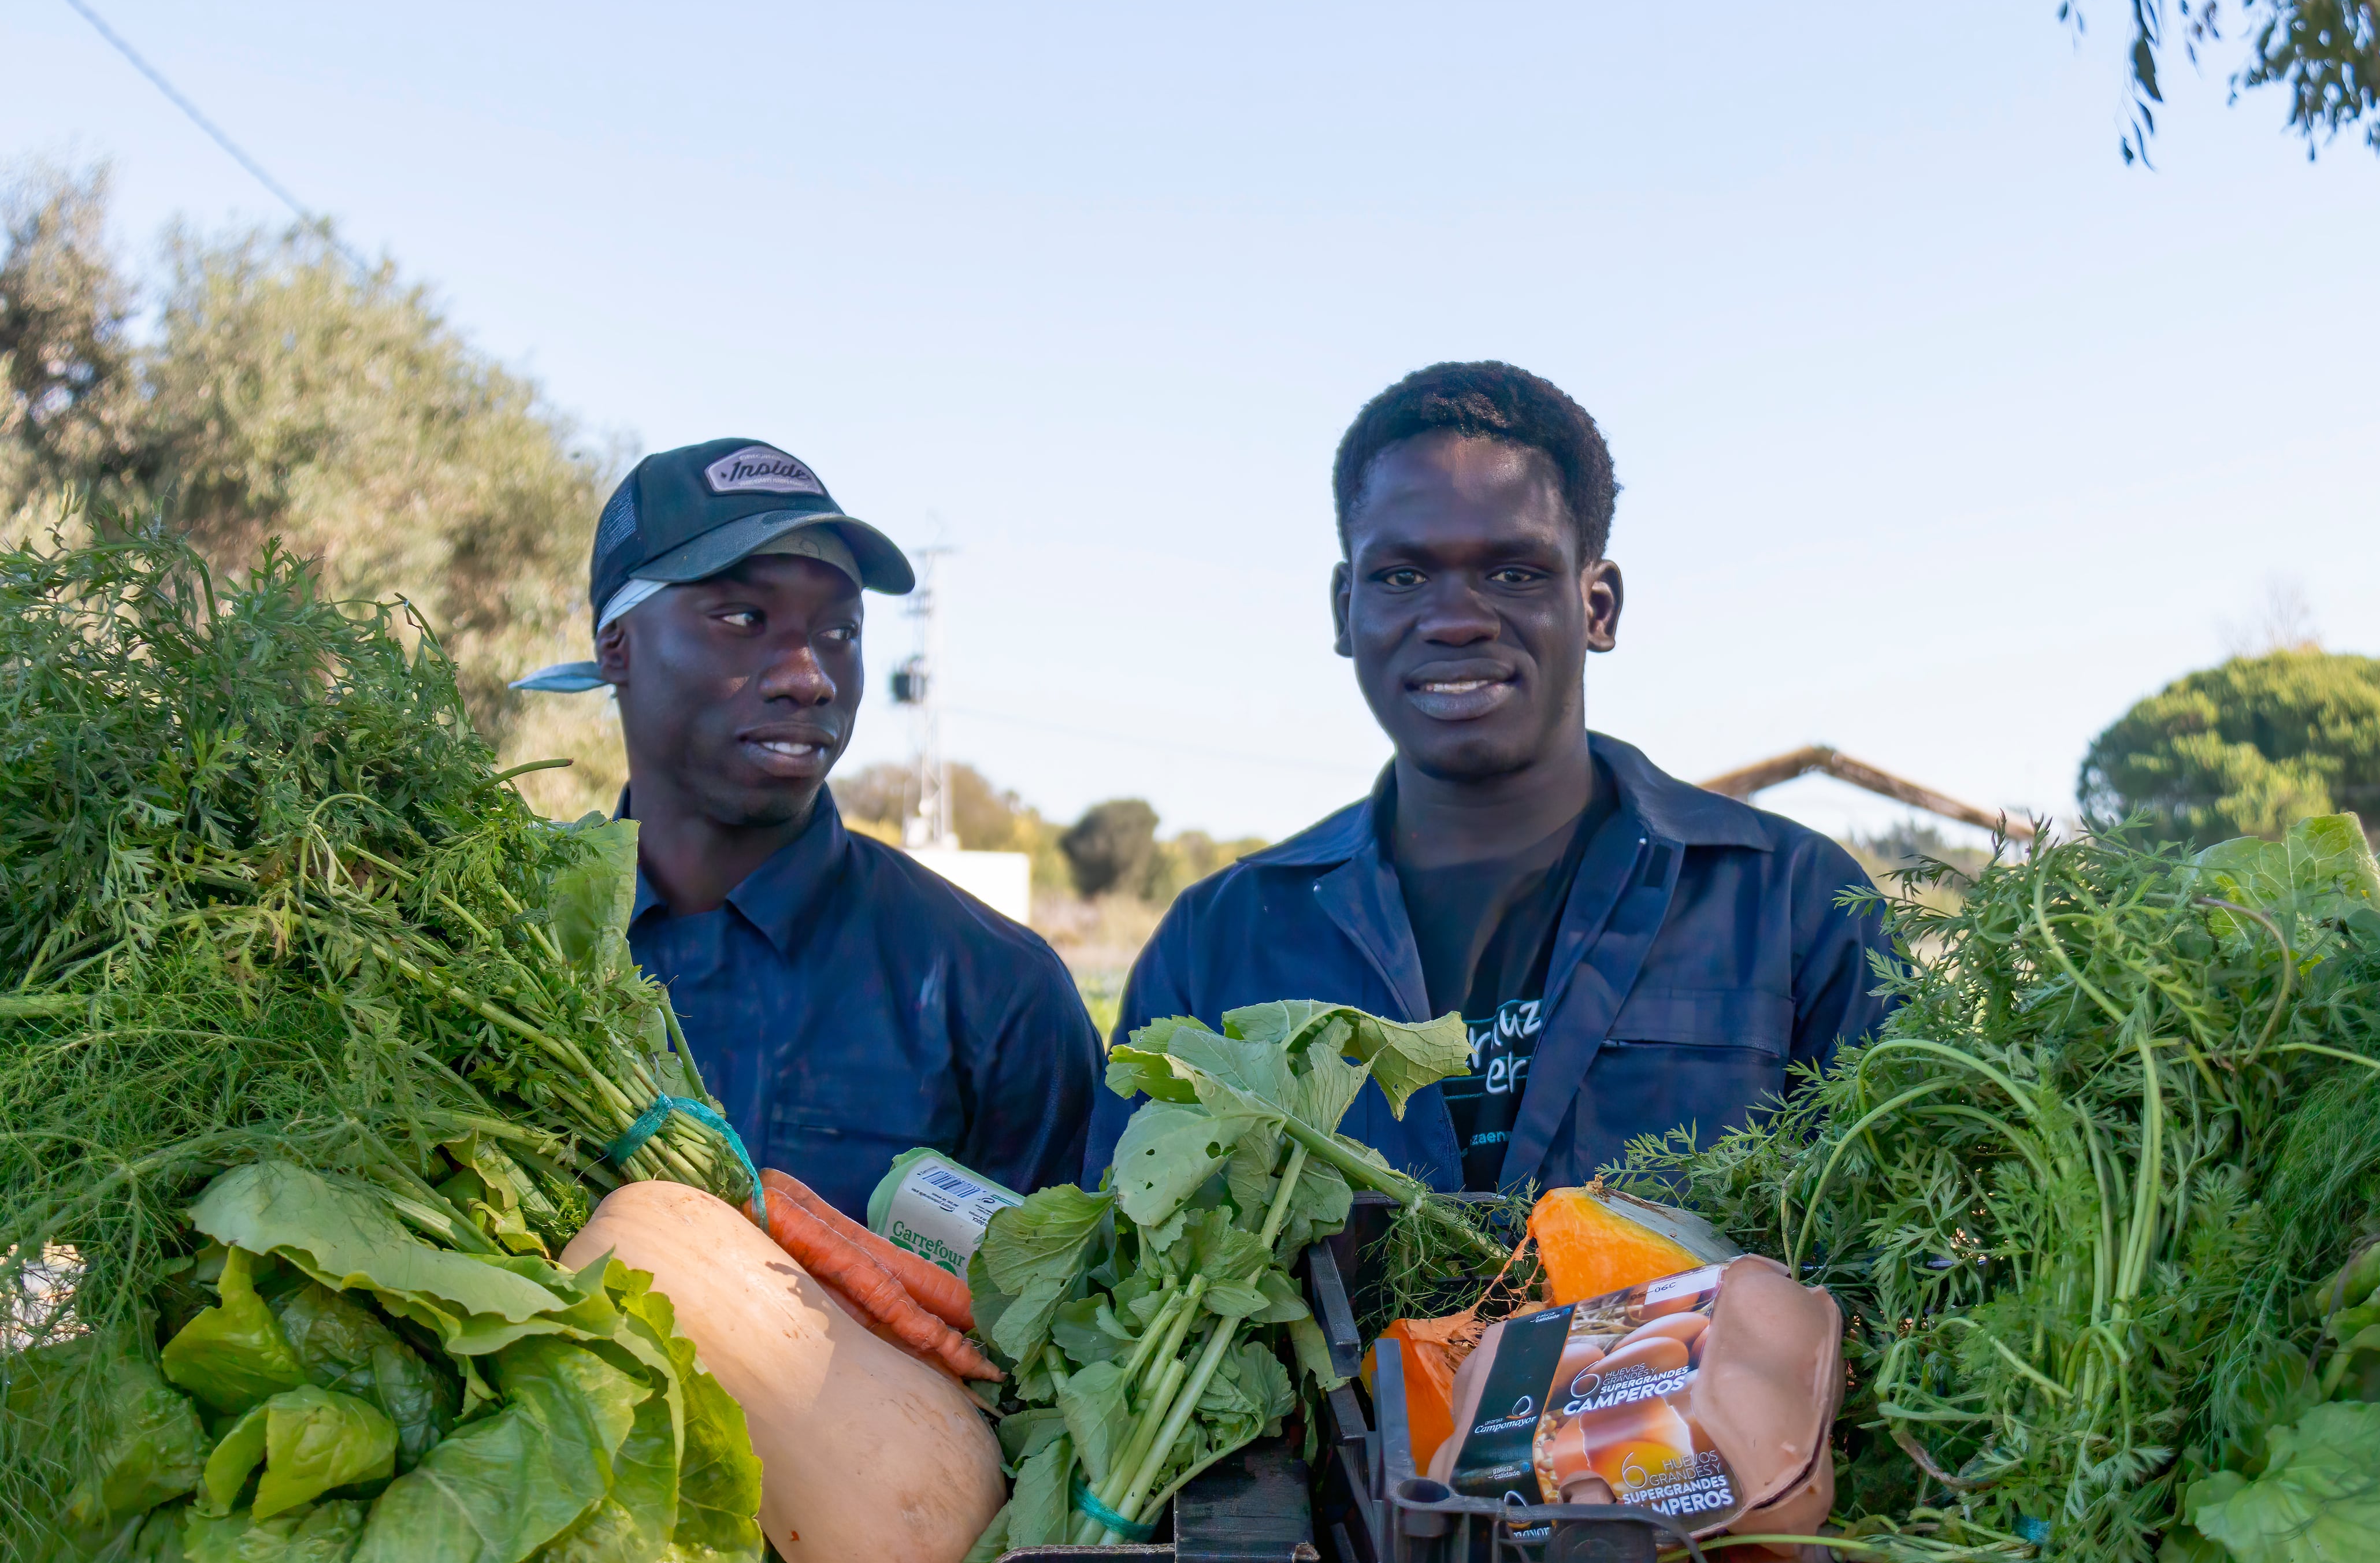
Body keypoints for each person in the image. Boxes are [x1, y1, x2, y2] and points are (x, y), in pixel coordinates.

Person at [1086, 364, 1893, 1195]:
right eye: (1402, 576)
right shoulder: (1218, 942)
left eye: (1514, 572)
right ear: (1344, 608)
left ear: (1599, 606)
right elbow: (1131, 1268)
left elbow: (1899, 1268)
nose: (1457, 618)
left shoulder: (1794, 904)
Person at [520, 437, 1098, 1217]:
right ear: (614, 645)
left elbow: (1064, 1314)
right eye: (743, 616)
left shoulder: (995, 990)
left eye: (841, 633)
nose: (810, 675)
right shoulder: (493, 948)